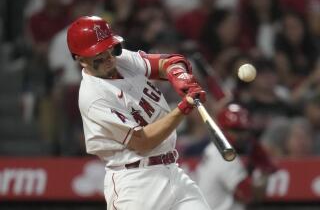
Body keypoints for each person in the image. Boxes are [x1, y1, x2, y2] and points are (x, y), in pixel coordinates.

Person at [66, 16, 211, 210]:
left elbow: (169, 62)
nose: (109, 58)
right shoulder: (94, 96)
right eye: (99, 55)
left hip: (172, 170)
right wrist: (183, 108)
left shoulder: (120, 60)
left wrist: (179, 75)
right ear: (81, 59)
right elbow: (143, 142)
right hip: (135, 184)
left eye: (111, 49)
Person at [195, 103, 277, 210]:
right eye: (236, 131)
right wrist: (265, 172)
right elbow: (251, 195)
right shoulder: (225, 156)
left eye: (244, 130)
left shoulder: (213, 148)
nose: (242, 136)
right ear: (222, 131)